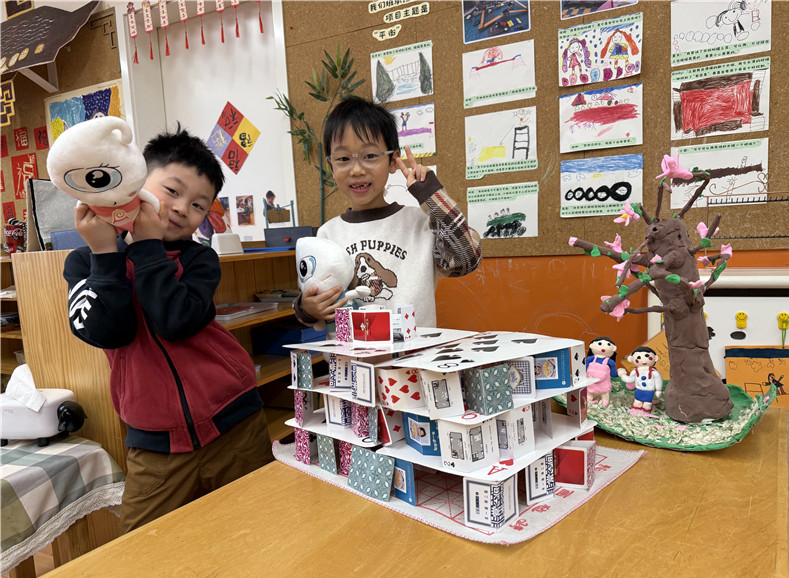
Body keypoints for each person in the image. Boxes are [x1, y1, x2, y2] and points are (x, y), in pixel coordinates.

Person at [63, 126, 272, 533]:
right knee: (145, 549)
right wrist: (105, 254)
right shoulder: (85, 263)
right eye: (172, 191)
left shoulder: (199, 259)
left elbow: (175, 321)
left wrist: (147, 247)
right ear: (136, 180)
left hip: (235, 422)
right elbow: (110, 332)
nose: (180, 209)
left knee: (256, 531)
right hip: (155, 444)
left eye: (198, 205)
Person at [293, 95, 482, 329]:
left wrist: (432, 196)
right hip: (352, 352)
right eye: (343, 159)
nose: (356, 169)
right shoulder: (327, 234)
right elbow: (312, 297)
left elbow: (467, 259)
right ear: (331, 167)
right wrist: (307, 308)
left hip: (414, 351)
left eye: (370, 156)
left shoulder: (419, 224)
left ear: (393, 161)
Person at [618, 346, 663, 412]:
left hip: (649, 391)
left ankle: (646, 411)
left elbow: (658, 381)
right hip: (639, 391)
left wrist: (658, 390)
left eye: (647, 356)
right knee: (637, 403)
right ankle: (637, 410)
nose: (643, 360)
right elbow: (630, 379)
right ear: (631, 359)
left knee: (647, 405)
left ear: (655, 358)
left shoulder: (654, 372)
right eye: (638, 357)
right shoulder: (635, 371)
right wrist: (622, 375)